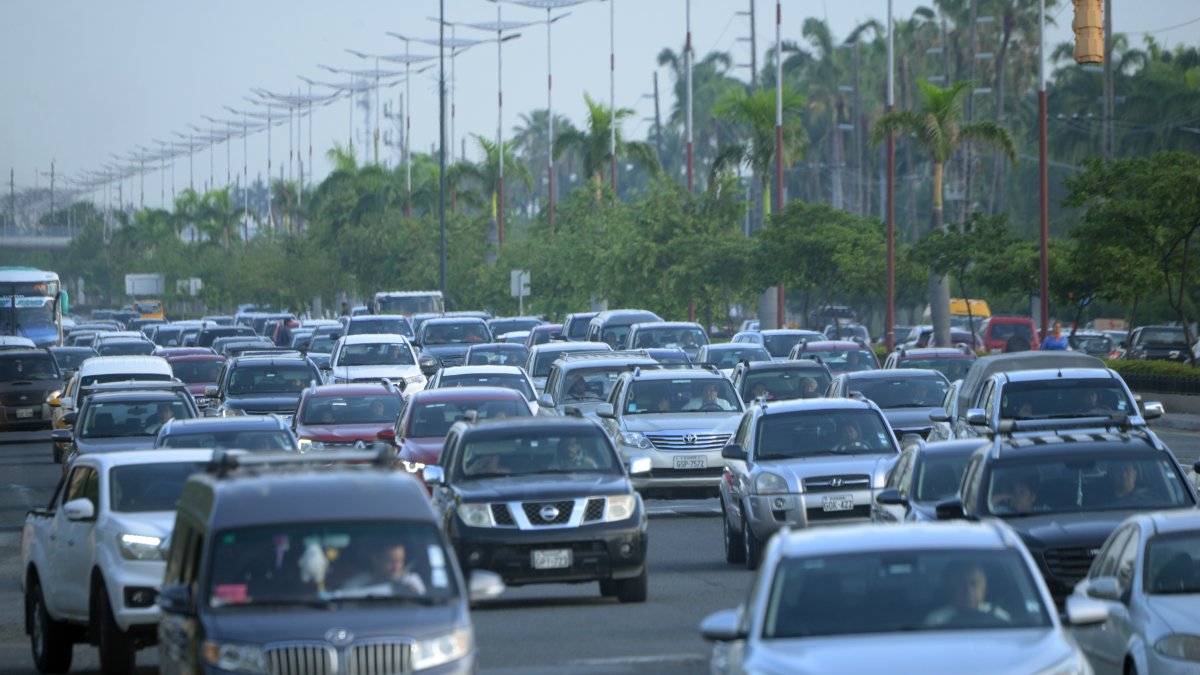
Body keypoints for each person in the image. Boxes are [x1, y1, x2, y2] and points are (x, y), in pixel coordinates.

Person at [924, 562, 1011, 627]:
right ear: (951, 589)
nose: (968, 590)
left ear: (984, 590)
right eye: (961, 584)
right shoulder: (937, 620)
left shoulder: (999, 617)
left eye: (974, 584)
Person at [341, 543, 426, 595]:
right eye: (390, 561)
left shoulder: (412, 581)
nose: (396, 567)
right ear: (376, 559)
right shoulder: (354, 586)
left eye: (400, 561)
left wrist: (414, 595)